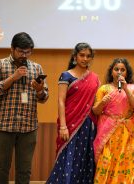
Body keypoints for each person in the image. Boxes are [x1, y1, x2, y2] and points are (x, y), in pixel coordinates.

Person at [0, 32, 49, 184]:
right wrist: (13, 78)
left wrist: (40, 90)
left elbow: (44, 98)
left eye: (28, 52)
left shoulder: (36, 68)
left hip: (28, 128)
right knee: (1, 169)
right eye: (21, 51)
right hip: (3, 126)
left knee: (24, 171)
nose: (24, 55)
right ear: (12, 48)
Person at [46, 43, 100, 184]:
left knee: (85, 159)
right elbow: (61, 101)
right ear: (75, 56)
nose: (85, 58)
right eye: (82, 55)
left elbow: (95, 104)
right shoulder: (66, 75)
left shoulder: (95, 78)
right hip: (70, 124)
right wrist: (63, 126)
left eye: (88, 56)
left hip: (89, 125)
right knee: (68, 159)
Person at [92, 58, 134, 184]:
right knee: (107, 162)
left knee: (129, 162)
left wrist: (126, 88)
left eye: (122, 70)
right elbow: (95, 111)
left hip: (128, 132)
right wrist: (103, 102)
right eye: (116, 69)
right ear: (111, 72)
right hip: (108, 134)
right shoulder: (103, 89)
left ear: (127, 73)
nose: (119, 72)